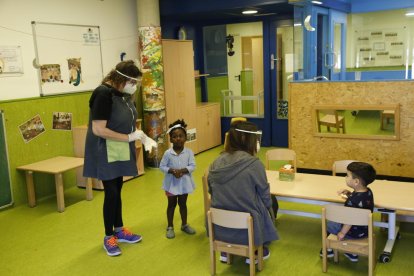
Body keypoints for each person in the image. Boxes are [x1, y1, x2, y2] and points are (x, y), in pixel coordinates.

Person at [83, 60, 157, 257]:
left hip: (119, 148)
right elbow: (98, 129)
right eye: (132, 81)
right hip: (105, 149)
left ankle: (120, 229)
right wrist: (129, 137)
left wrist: (141, 135)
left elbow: (126, 120)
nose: (134, 86)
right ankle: (109, 237)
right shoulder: (102, 93)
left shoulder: (123, 94)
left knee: (118, 189)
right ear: (120, 78)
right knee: (111, 193)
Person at [207, 121, 279, 263]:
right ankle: (257, 249)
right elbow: (265, 197)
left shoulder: (216, 162)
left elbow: (211, 190)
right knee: (270, 204)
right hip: (248, 228)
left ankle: (225, 251)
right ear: (249, 141)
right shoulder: (254, 164)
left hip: (220, 226)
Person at [321, 161, 376, 262]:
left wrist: (342, 233)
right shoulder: (368, 191)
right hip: (365, 229)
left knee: (329, 224)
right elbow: (360, 203)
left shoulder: (352, 201)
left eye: (347, 175)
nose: (345, 177)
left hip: (353, 232)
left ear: (356, 182)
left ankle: (329, 250)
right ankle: (351, 253)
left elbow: (349, 220)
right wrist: (349, 194)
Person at [159, 119, 196, 239]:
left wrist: (182, 171)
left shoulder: (189, 152)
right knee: (171, 205)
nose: (178, 138)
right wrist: (172, 171)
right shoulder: (167, 153)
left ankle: (184, 225)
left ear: (186, 138)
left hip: (184, 184)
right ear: (170, 139)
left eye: (181, 136)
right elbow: (162, 166)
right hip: (171, 184)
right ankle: (170, 226)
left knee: (183, 204)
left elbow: (192, 166)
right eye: (175, 136)